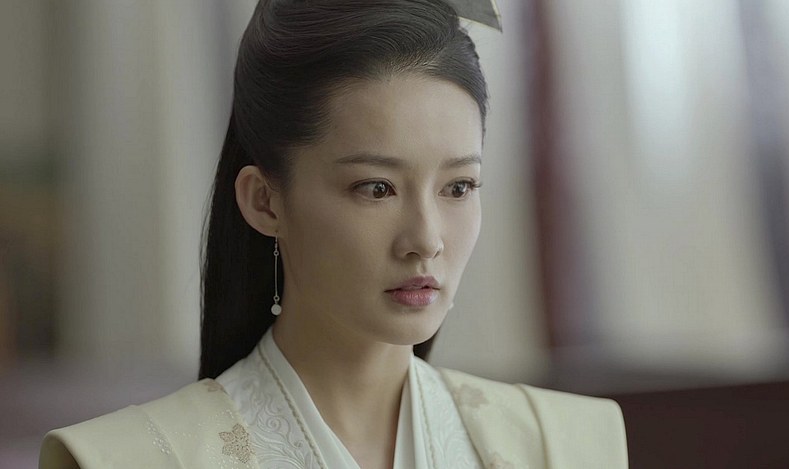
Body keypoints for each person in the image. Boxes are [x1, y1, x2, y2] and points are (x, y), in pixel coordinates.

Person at [40, 0, 627, 467]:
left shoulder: (561, 445)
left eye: (458, 187)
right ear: (265, 201)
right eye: (377, 188)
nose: (426, 239)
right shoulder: (132, 458)